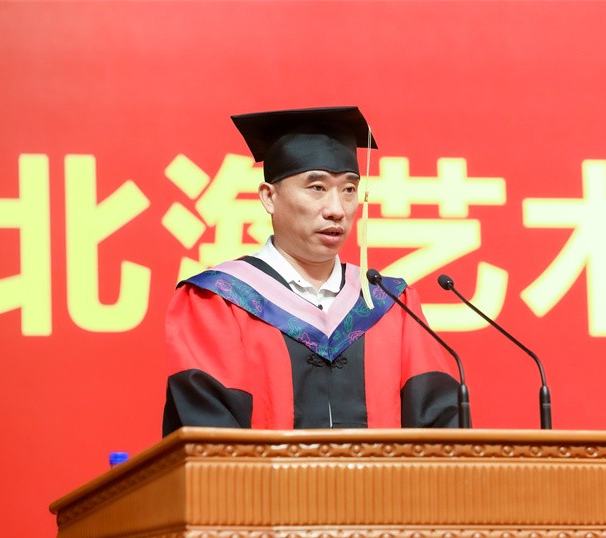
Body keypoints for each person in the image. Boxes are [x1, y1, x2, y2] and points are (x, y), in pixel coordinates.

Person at [162, 106, 460, 436]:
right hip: (264, 474)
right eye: (317, 187)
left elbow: (441, 434)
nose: (336, 210)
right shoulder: (219, 301)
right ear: (269, 197)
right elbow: (207, 440)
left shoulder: (391, 304)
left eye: (349, 190)